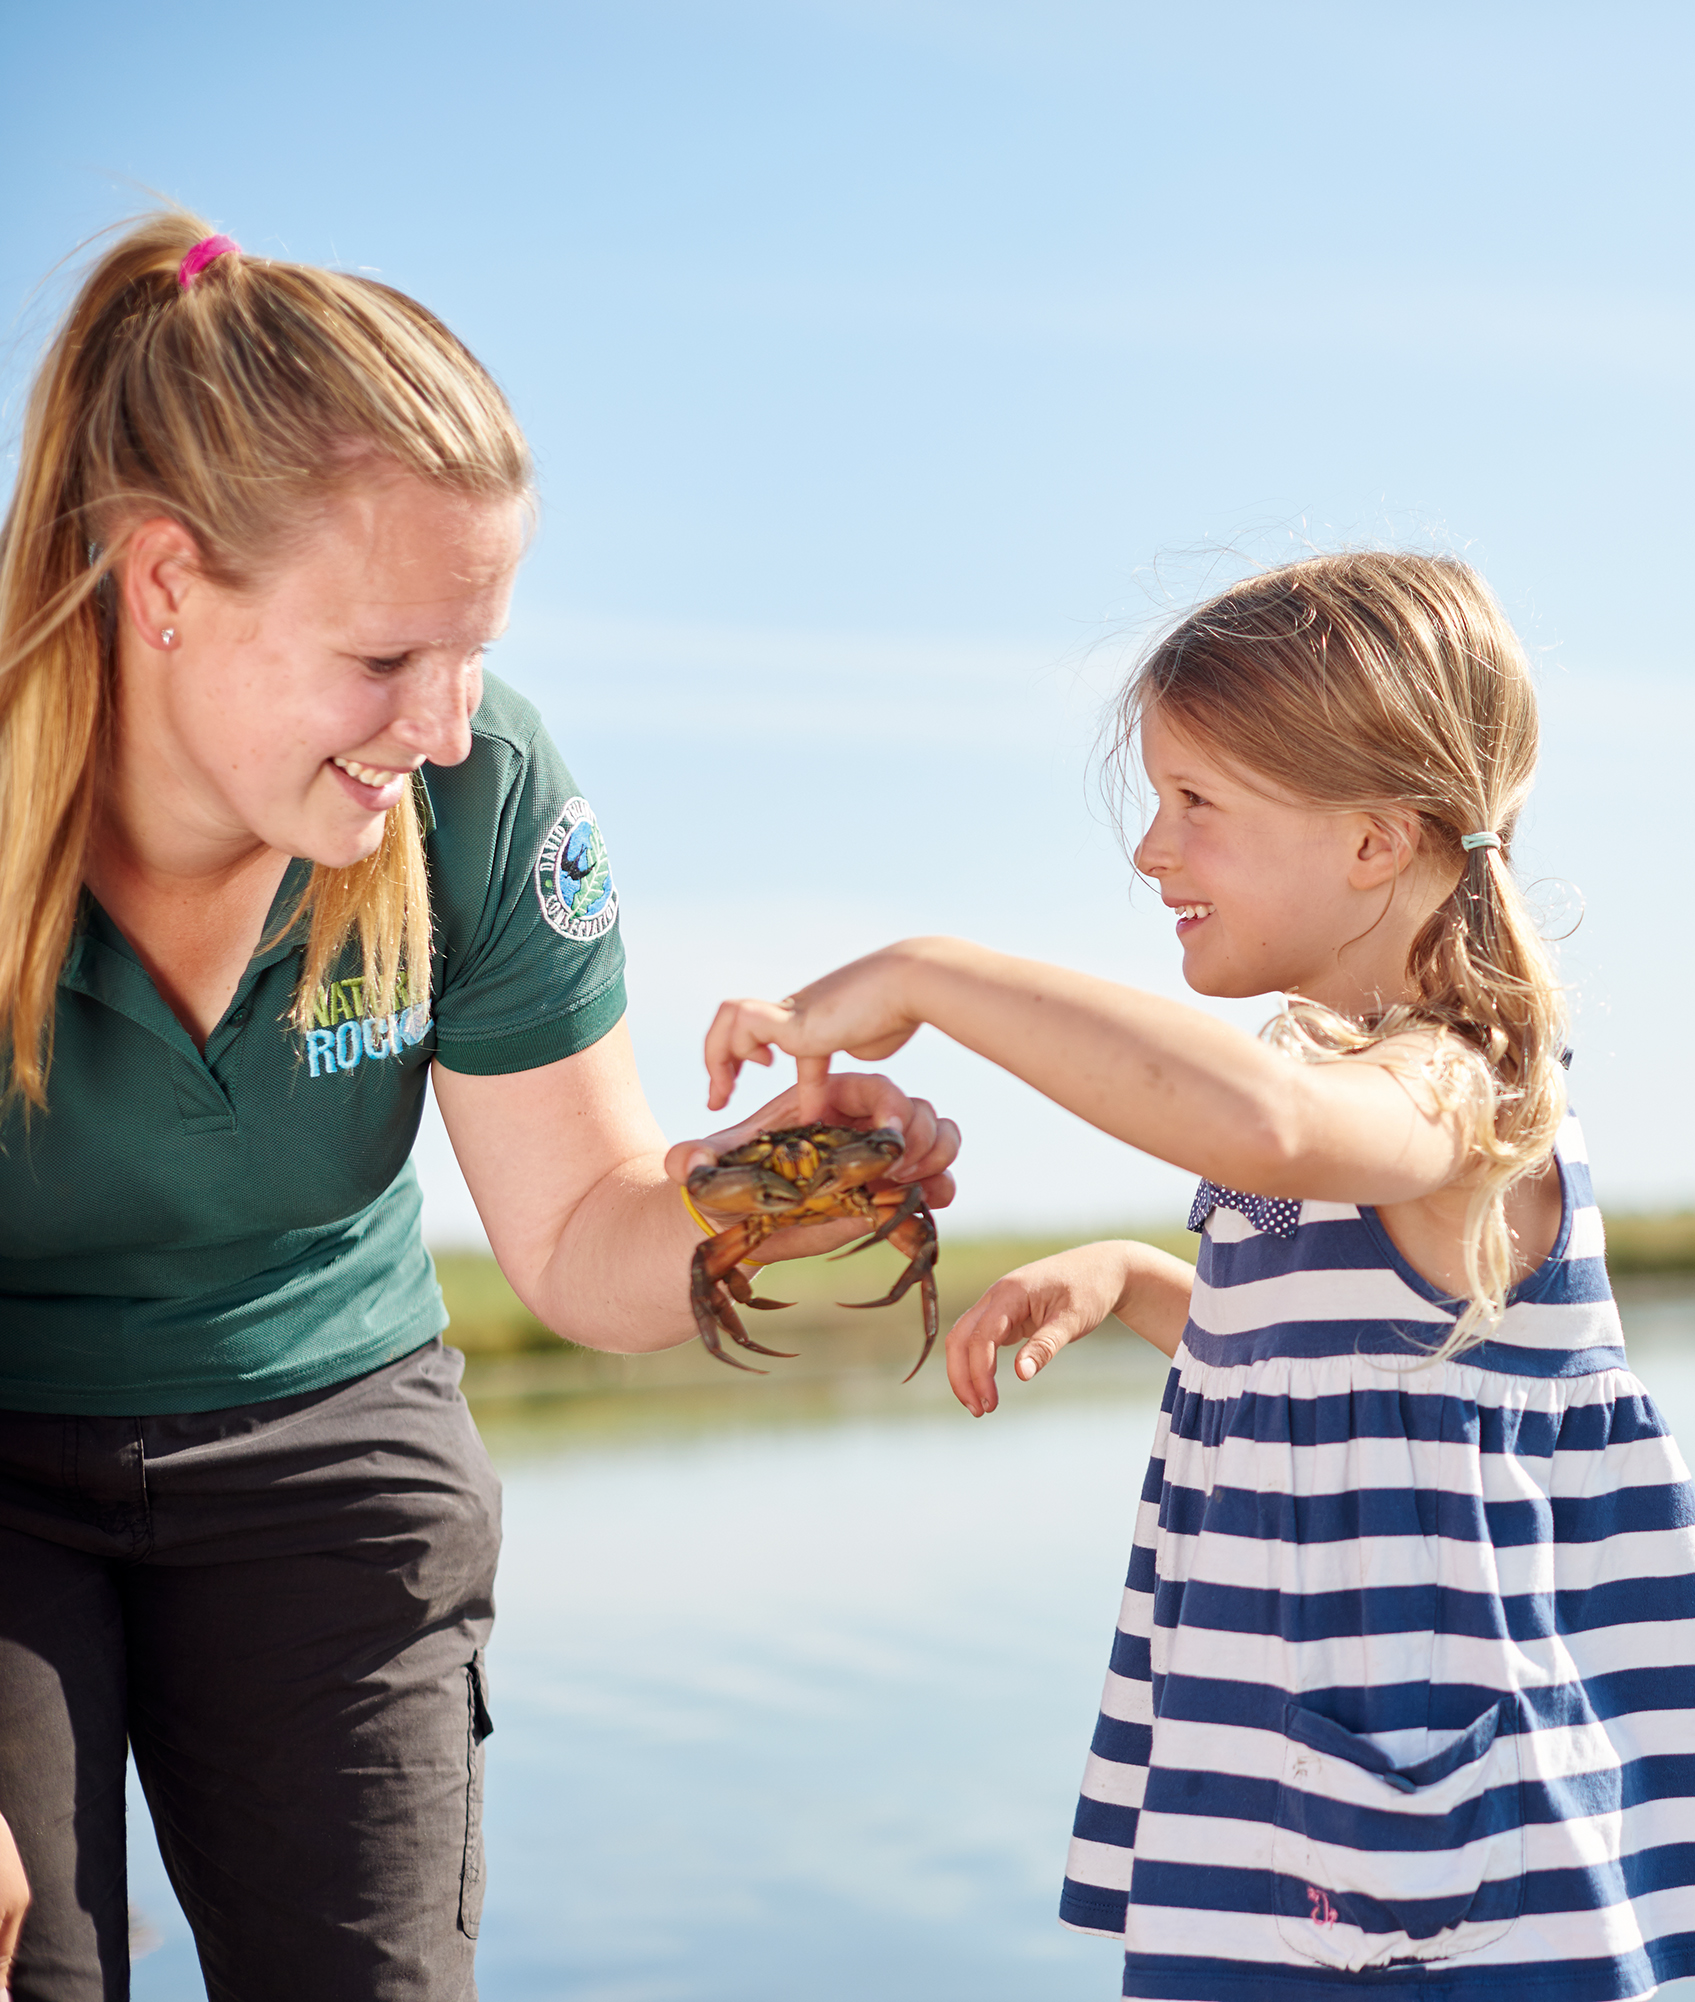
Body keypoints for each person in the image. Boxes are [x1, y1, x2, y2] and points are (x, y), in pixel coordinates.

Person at [0, 214, 957, 2002]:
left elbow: (587, 1239)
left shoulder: (480, 789)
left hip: (326, 1440)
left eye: (476, 649)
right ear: (163, 587)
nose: (446, 724)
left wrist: (774, 1195)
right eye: (384, 662)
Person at [701, 553, 1695, 1999]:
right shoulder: (1343, 1088)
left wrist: (932, 975)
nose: (1153, 852)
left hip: (1427, 1864)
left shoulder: (1455, 1086)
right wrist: (1136, 1281)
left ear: (1371, 839)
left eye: (1198, 805)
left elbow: (1270, 1132)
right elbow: (1353, 1375)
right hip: (1277, 1806)